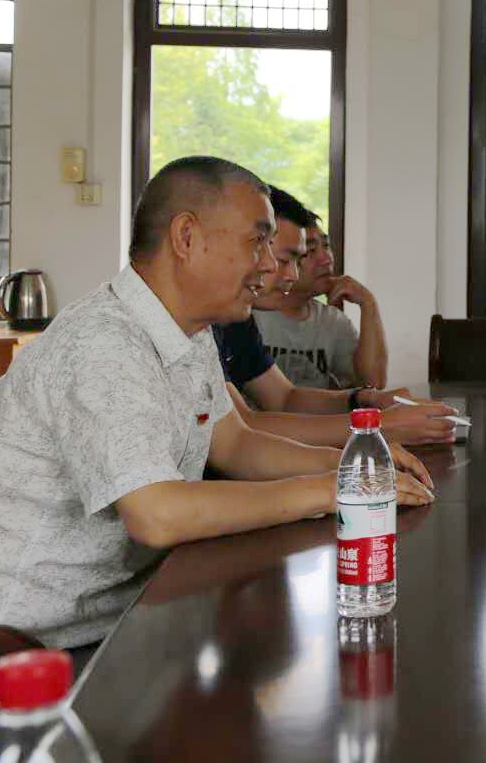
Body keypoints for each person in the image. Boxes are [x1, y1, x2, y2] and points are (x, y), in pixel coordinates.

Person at [0, 156, 435, 648]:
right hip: (37, 643)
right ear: (186, 237)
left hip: (132, 612)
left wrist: (353, 467)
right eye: (258, 241)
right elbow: (157, 514)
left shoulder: (188, 331)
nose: (269, 264)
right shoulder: (102, 343)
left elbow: (236, 446)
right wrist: (329, 491)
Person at [217, 196, 455, 448]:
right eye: (284, 260)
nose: (292, 274)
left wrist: (365, 399)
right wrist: (379, 425)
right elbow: (242, 430)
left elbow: (285, 398)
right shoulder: (212, 321)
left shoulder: (236, 320)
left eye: (297, 260)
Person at [253, 190, 388, 390]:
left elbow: (372, 385)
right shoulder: (246, 313)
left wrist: (368, 304)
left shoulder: (333, 321)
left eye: (327, 245)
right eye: (311, 251)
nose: (326, 259)